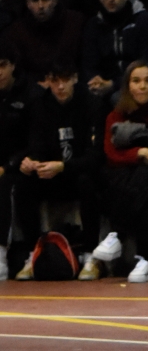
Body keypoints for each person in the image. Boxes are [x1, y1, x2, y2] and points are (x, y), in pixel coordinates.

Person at [11, 61, 101, 280]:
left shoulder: (91, 104)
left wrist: (63, 166)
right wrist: (31, 161)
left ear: (75, 79)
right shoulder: (39, 106)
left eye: (65, 80)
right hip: (50, 176)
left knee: (88, 183)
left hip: (76, 172)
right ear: (48, 82)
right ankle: (33, 254)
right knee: (23, 183)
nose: (60, 86)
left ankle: (91, 256)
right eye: (55, 81)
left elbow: (96, 156)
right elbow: (36, 145)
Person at [92, 61, 148, 283]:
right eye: (136, 81)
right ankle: (141, 258)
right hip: (125, 176)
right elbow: (111, 154)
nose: (143, 86)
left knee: (147, 176)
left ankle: (120, 237)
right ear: (127, 86)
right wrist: (141, 152)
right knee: (121, 175)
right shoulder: (115, 115)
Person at [3, 0, 85, 84]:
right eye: (35, 0)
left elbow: (84, 63)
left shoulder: (75, 23)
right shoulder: (16, 32)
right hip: (33, 90)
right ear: (28, 4)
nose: (41, 6)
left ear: (55, 1)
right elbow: (18, 70)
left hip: (70, 84)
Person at [82, 0, 142, 104]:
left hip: (135, 84)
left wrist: (113, 84)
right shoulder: (93, 25)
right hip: (103, 84)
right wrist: (95, 82)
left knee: (117, 98)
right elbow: (89, 64)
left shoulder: (144, 21)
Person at [0, 50, 31, 280]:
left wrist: (8, 165)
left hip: (19, 164)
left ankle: (1, 253)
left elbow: (34, 141)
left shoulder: (29, 95)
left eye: (2, 65)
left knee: (8, 186)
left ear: (12, 66)